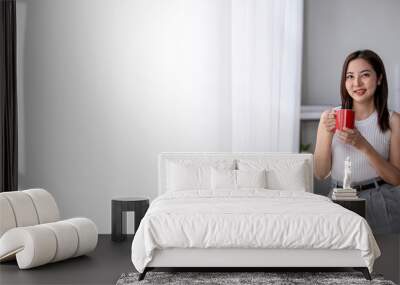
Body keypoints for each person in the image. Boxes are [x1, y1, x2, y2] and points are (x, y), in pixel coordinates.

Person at [314, 49, 400, 234]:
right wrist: (327, 134)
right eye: (350, 76)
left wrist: (363, 146)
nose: (356, 83)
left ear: (379, 79)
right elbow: (320, 173)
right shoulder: (329, 117)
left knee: (383, 262)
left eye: (365, 75)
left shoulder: (393, 121)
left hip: (381, 201)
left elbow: (396, 178)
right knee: (338, 262)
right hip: (339, 199)